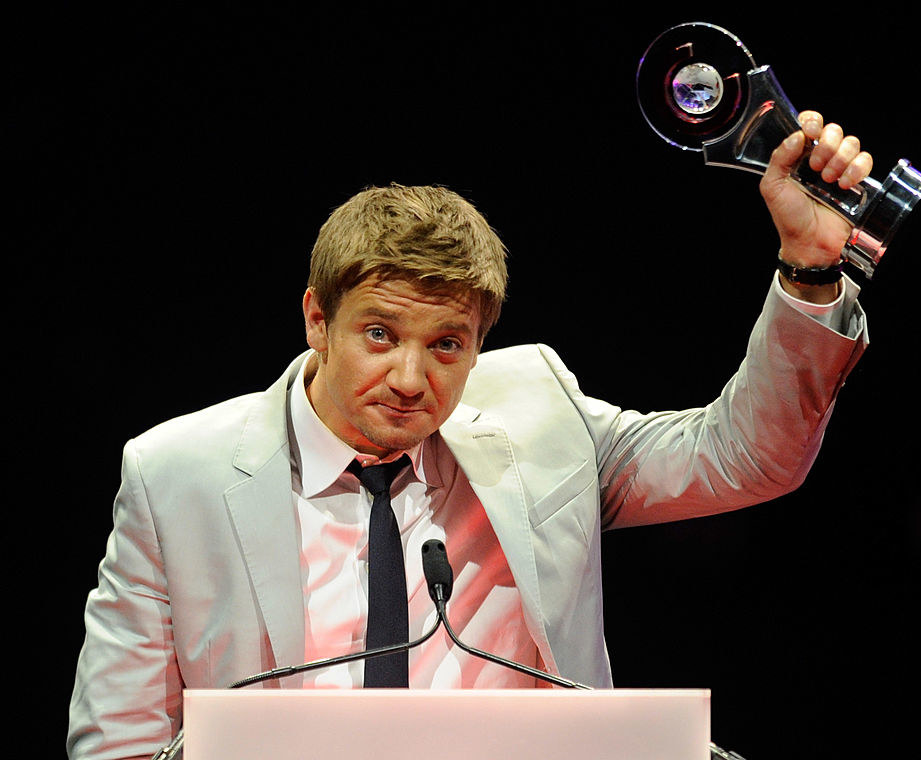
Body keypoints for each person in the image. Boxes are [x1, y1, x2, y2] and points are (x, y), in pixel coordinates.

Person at [68, 112, 872, 759]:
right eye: (379, 335)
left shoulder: (539, 419)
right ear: (318, 318)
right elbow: (119, 741)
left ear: (479, 343)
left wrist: (808, 267)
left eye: (447, 345)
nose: (413, 379)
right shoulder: (176, 473)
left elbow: (746, 457)